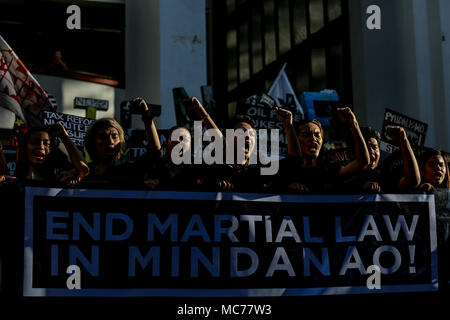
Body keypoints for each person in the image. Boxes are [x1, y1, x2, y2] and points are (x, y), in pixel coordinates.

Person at [284, 107, 370, 193]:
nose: (313, 139)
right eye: (306, 135)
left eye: (317, 135)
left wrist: (353, 123)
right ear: (295, 140)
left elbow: (362, 162)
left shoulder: (328, 169)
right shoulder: (286, 170)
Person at [83, 97, 161, 185]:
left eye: (114, 136)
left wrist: (146, 115)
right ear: (92, 142)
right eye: (103, 137)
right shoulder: (83, 172)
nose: (110, 141)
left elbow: (154, 151)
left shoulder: (129, 171)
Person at [345, 126, 420, 193]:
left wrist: (404, 141)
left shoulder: (385, 171)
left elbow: (413, 181)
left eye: (374, 147)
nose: (371, 151)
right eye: (366, 148)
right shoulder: (346, 172)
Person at [15, 123, 88, 184]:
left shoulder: (59, 177)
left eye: (46, 143)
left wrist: (64, 136)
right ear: (25, 147)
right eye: (34, 142)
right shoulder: (14, 178)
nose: (41, 147)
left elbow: (83, 169)